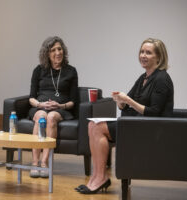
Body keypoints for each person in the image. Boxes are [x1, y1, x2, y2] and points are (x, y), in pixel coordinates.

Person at [76, 38, 174, 194]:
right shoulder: (144, 77)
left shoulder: (162, 79)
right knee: (92, 125)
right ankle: (96, 176)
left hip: (151, 129)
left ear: (159, 57)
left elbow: (153, 112)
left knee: (97, 128)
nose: (143, 55)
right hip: (136, 124)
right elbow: (127, 103)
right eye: (142, 51)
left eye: (148, 52)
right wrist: (120, 101)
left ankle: (101, 178)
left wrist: (128, 100)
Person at [28, 36, 78, 178]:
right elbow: (31, 97)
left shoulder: (71, 71)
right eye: (53, 50)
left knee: (51, 117)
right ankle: (34, 162)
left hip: (61, 109)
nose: (58, 53)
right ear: (47, 54)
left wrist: (59, 105)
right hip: (40, 106)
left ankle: (44, 162)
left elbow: (73, 101)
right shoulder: (38, 70)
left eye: (60, 49)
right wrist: (40, 104)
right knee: (41, 116)